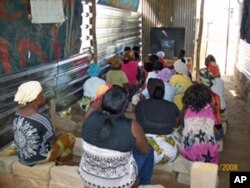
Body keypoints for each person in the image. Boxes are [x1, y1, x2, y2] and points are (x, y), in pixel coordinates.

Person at [79, 86, 154, 187]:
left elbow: (93, 106)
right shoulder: (132, 126)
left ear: (102, 101)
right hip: (118, 183)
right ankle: (145, 184)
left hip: (87, 178)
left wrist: (104, 100)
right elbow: (145, 151)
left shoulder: (90, 115)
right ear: (126, 106)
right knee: (149, 150)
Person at [13, 81, 75, 166]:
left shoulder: (17, 113)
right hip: (38, 159)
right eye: (41, 93)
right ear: (35, 98)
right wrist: (59, 133)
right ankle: (60, 163)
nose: (44, 95)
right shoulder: (42, 119)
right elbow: (52, 141)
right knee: (69, 137)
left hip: (22, 158)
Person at [135, 78, 181, 164]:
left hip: (145, 151)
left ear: (148, 90)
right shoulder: (172, 106)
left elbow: (139, 124)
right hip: (169, 153)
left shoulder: (140, 105)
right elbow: (176, 125)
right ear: (164, 89)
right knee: (179, 132)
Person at [181, 84, 219, 164]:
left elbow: (183, 125)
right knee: (213, 134)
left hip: (188, 154)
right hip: (208, 156)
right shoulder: (212, 108)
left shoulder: (185, 110)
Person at [199, 68, 225, 140]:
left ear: (201, 81)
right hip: (219, 130)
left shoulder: (200, 97)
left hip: (212, 132)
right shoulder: (216, 96)